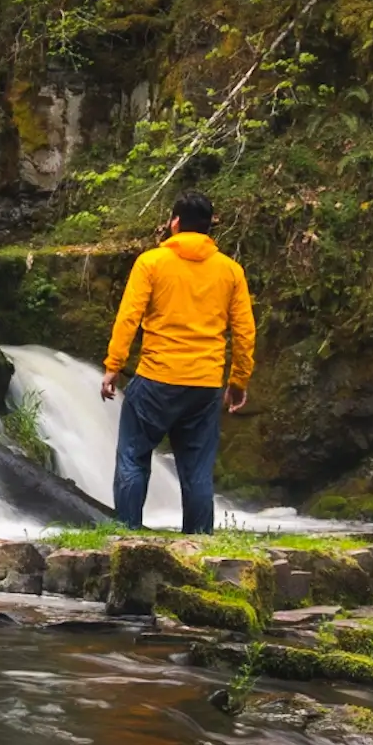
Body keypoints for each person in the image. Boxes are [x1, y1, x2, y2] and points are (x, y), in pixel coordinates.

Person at [99, 190, 255, 534]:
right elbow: (244, 332)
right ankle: (199, 545)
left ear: (175, 223)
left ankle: (126, 536)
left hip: (156, 378)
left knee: (133, 456)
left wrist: (114, 365)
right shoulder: (231, 272)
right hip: (204, 385)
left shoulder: (152, 263)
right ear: (209, 227)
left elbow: (129, 317)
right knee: (197, 470)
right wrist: (238, 381)